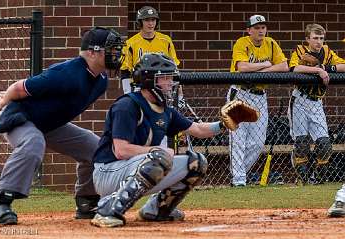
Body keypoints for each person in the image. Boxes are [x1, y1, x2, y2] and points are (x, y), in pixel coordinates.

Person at [0, 27, 124, 225]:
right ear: (92, 52)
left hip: (49, 123)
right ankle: (0, 202)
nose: (116, 54)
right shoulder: (67, 73)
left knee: (96, 148)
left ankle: (87, 200)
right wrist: (4, 100)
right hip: (21, 118)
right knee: (34, 143)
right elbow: (19, 88)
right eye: (110, 49)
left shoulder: (101, 81)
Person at [90, 53, 231, 228]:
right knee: (159, 156)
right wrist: (157, 151)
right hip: (108, 172)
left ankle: (157, 210)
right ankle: (107, 209)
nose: (170, 83)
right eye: (164, 78)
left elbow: (198, 130)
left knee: (196, 162)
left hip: (135, 167)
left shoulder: (165, 109)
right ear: (149, 80)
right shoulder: (127, 105)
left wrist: (226, 124)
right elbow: (121, 150)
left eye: (170, 78)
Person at [227, 15, 288, 186]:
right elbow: (242, 67)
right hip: (240, 93)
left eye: (263, 27)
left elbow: (284, 66)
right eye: (256, 27)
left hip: (260, 96)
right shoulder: (242, 42)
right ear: (249, 30)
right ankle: (239, 180)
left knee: (257, 142)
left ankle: (240, 175)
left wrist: (260, 72)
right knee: (238, 139)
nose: (261, 30)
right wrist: (267, 65)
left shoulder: (271, 43)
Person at [288, 23, 345, 184]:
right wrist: (319, 70)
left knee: (324, 144)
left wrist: (328, 68)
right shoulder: (299, 50)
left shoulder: (327, 52)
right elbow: (293, 68)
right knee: (302, 143)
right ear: (307, 39)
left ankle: (317, 179)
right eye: (315, 38)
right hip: (299, 100)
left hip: (316, 102)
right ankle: (303, 180)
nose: (318, 42)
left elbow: (343, 65)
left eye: (321, 38)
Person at [120, 5, 180, 94]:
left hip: (162, 87)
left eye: (153, 20)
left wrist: (180, 94)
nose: (151, 23)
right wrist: (127, 93)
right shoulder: (130, 43)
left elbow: (175, 68)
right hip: (140, 88)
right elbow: (125, 71)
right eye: (147, 20)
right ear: (140, 22)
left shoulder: (166, 40)